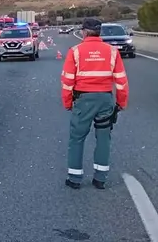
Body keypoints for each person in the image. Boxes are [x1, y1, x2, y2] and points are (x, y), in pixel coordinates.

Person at [61, 17, 129, 190]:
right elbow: (121, 81)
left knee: (77, 138)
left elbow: (67, 81)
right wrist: (121, 103)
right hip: (105, 99)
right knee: (104, 138)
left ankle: (75, 179)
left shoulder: (75, 51)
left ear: (84, 32)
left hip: (83, 100)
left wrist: (68, 103)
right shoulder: (112, 51)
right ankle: (100, 178)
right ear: (100, 32)